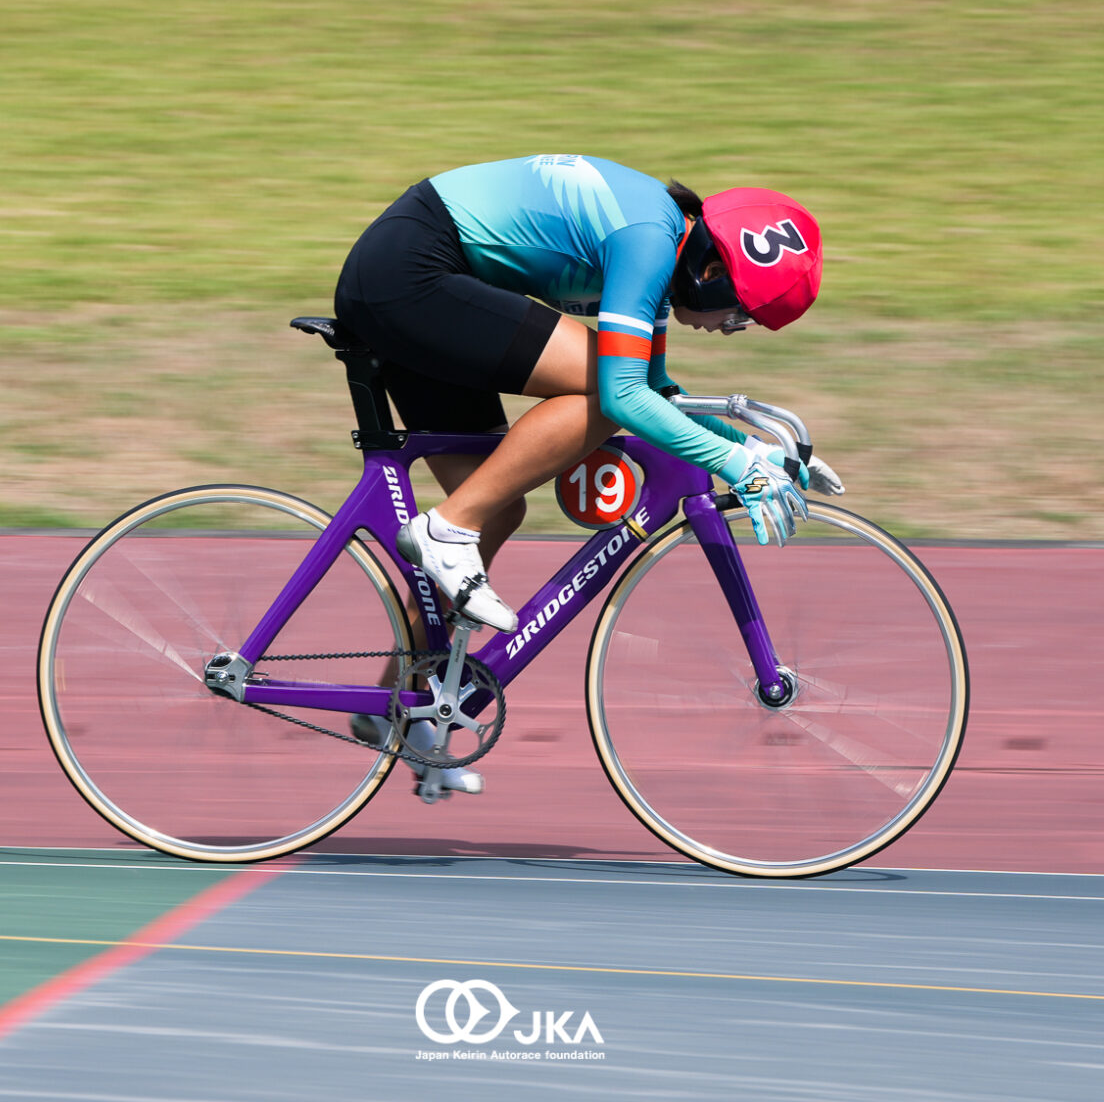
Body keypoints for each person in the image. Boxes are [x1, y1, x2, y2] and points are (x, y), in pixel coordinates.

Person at [334, 154, 838, 796]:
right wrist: (736, 465)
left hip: (420, 275)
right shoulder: (649, 239)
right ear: (711, 274)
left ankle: (394, 705)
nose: (731, 331)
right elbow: (624, 396)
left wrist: (761, 451)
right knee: (602, 392)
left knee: (499, 504)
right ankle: (445, 527)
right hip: (411, 271)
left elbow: (656, 390)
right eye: (740, 315)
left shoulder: (662, 247)